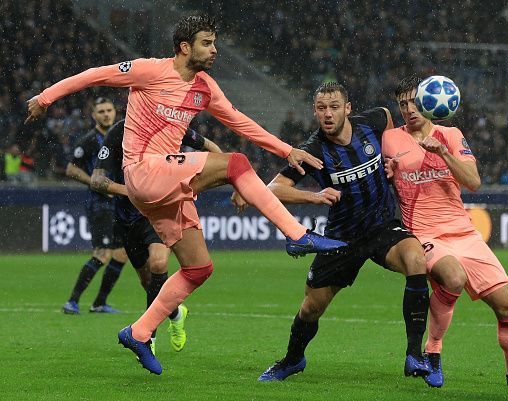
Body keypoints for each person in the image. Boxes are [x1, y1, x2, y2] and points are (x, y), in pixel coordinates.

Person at [26, 14, 347, 375]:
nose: (214, 50)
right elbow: (95, 74)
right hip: (143, 171)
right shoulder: (149, 70)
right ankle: (298, 235)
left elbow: (239, 121)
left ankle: (139, 332)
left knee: (198, 268)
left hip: (163, 189)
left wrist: (286, 150)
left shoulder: (205, 87)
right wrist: (46, 96)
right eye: (206, 43)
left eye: (214, 43)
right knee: (236, 163)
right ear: (184, 46)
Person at [233, 82, 430, 382]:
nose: (328, 114)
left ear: (348, 108)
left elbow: (391, 125)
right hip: (342, 237)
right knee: (311, 307)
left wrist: (393, 161)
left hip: (382, 226)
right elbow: (274, 189)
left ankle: (415, 355)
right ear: (314, 111)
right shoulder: (314, 149)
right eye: (322, 108)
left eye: (334, 107)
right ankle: (293, 359)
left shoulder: (375, 120)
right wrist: (314, 196)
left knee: (417, 261)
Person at [382, 75, 508, 388]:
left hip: (464, 233)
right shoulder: (390, 138)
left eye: (414, 101)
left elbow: (473, 181)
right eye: (402, 103)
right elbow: (382, 174)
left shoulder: (451, 134)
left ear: (429, 101)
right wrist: (387, 174)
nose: (409, 108)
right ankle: (433, 351)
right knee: (454, 278)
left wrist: (442, 153)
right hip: (424, 234)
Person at [90, 119, 222, 354]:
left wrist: (201, 184)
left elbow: (213, 149)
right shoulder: (119, 131)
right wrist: (132, 192)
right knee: (147, 281)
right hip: (128, 218)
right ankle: (175, 312)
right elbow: (96, 180)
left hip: (162, 209)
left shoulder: (171, 124)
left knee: (159, 262)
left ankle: (147, 337)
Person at [62, 97, 128, 315]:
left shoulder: (120, 137)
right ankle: (72, 301)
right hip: (100, 204)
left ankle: (99, 302)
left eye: (109, 110)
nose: (106, 114)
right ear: (94, 115)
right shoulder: (89, 140)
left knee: (120, 254)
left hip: (118, 203)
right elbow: (71, 169)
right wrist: (94, 182)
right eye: (101, 111)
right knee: (102, 253)